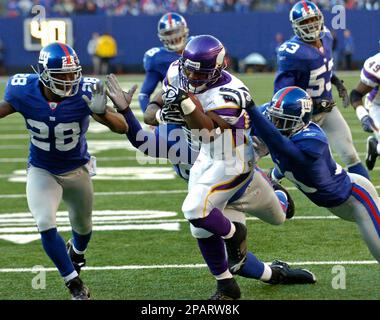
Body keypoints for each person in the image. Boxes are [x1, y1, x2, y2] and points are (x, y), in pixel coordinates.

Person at [136, 35, 316, 300]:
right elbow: (153, 109)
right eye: (189, 71)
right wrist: (159, 109)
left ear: (220, 67)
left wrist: (183, 103)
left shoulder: (232, 93)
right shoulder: (178, 70)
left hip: (233, 159)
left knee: (205, 209)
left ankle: (239, 229)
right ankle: (231, 285)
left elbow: (206, 131)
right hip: (207, 158)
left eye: (201, 74)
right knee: (200, 225)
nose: (193, 78)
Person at [1, 42, 128, 300]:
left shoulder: (86, 91)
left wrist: (102, 113)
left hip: (77, 169)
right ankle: (75, 285)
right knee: (45, 222)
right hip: (42, 170)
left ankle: (78, 253)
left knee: (83, 226)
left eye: (73, 74)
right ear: (44, 73)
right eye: (63, 75)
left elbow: (122, 127)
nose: (70, 80)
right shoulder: (23, 90)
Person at [229, 86, 380, 266]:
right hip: (334, 202)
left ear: (299, 122)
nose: (274, 124)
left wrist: (251, 107)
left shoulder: (313, 139)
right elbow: (244, 125)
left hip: (356, 198)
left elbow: (286, 150)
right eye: (273, 118)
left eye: (281, 121)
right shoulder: (280, 124)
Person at [274, 0, 369, 180]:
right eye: (305, 23)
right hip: (302, 118)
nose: (311, 26)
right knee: (295, 163)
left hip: (328, 109)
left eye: (313, 20)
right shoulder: (291, 52)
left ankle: (373, 201)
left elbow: (323, 67)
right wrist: (314, 103)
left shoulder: (326, 36)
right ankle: (272, 179)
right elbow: (282, 96)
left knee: (350, 154)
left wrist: (336, 82)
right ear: (296, 26)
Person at [138, 12, 190, 112]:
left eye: (176, 31)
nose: (174, 36)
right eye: (169, 33)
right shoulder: (157, 58)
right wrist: (151, 117)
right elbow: (144, 95)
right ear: (162, 36)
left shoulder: (196, 46)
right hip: (177, 109)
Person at [349, 51, 380, 171]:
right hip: (377, 106)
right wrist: (363, 116)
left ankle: (375, 147)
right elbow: (355, 95)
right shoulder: (376, 65)